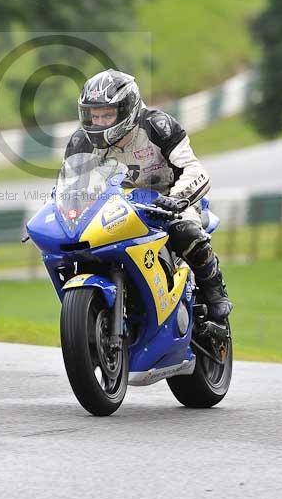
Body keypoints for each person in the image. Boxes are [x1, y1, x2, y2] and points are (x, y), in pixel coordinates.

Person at [64, 68, 232, 321]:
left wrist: (177, 199)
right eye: (93, 116)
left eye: (107, 115)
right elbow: (71, 186)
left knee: (185, 230)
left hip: (167, 200)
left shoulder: (157, 126)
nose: (98, 123)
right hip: (113, 209)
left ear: (127, 109)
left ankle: (214, 290)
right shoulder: (81, 142)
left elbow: (193, 169)